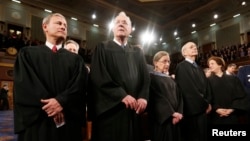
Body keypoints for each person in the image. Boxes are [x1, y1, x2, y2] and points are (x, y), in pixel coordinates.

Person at [13, 13, 87, 141]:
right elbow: (25, 85)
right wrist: (51, 106)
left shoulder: (77, 60)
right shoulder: (27, 54)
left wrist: (61, 101)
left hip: (67, 122)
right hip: (38, 123)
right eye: (59, 23)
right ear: (45, 27)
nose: (63, 27)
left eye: (65, 25)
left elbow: (79, 86)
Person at [89, 11, 150, 141]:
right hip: (111, 112)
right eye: (117, 22)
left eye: (125, 22)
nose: (121, 24)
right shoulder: (102, 48)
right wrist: (121, 95)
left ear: (130, 29)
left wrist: (143, 97)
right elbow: (98, 77)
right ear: (112, 28)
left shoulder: (137, 52)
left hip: (134, 112)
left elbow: (146, 79)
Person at [175, 42, 212, 141]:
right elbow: (188, 90)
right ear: (184, 52)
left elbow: (206, 86)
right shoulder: (181, 67)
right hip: (193, 111)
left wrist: (208, 102)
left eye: (196, 47)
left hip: (203, 109)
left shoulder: (199, 67)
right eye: (191, 47)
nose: (195, 48)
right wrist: (204, 104)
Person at [148, 51, 183, 141]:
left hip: (176, 119)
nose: (167, 64)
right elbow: (155, 97)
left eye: (168, 61)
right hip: (162, 120)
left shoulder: (171, 79)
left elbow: (180, 97)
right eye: (164, 61)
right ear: (155, 63)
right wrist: (171, 113)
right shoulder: (151, 78)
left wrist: (179, 112)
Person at [207, 56, 249, 125]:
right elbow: (208, 97)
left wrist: (232, 109)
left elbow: (241, 95)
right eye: (209, 64)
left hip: (232, 115)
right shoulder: (207, 81)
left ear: (220, 65)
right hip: (216, 116)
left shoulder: (233, 79)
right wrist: (216, 109)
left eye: (212, 63)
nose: (210, 66)